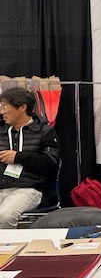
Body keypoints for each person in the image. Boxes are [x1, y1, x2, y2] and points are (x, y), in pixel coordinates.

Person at [0, 87, 59, 228]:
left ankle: (6, 243)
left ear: (22, 107)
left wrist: (19, 157)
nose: (2, 112)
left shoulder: (45, 132)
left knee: (5, 215)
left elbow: (51, 163)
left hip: (28, 189)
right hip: (2, 187)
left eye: (6, 107)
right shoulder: (1, 131)